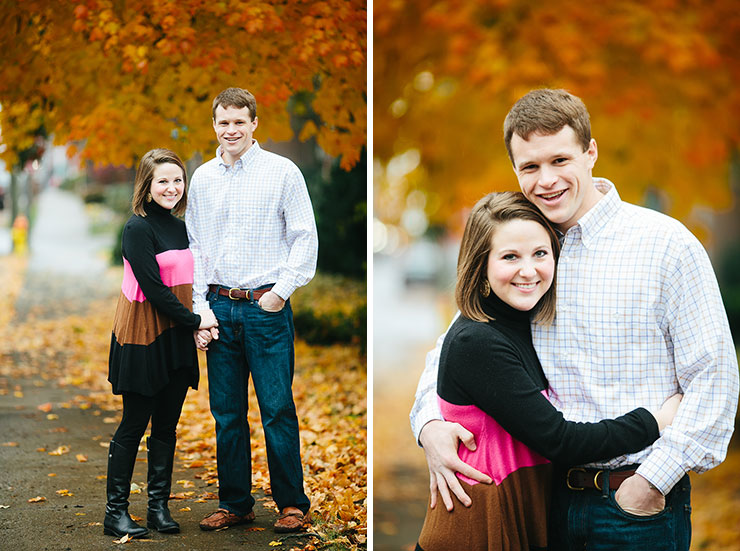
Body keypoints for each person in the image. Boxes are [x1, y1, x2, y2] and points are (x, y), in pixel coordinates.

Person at [410, 89, 739, 549]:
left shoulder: (665, 245)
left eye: (560, 160)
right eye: (530, 166)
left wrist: (648, 484)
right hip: (541, 504)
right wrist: (430, 427)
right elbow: (456, 348)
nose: (546, 180)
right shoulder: (526, 251)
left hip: (631, 508)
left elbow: (715, 377)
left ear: (590, 152)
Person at [415, 191, 681, 550]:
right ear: (481, 264)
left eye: (540, 253)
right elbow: (560, 439)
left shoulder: (528, 320)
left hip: (527, 512)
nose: (529, 271)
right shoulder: (476, 339)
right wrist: (656, 421)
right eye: (510, 257)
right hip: (479, 524)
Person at [186, 87, 318, 533]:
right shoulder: (201, 178)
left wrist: (281, 292)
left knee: (277, 407)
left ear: (254, 123)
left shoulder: (282, 172)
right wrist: (201, 309)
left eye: (239, 122)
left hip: (266, 307)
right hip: (220, 307)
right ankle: (235, 503)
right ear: (214, 126)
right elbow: (196, 249)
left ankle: (291, 503)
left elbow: (305, 237)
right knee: (226, 413)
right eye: (223, 122)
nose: (231, 130)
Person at [105, 148, 219, 539]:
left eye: (177, 180)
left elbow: (192, 283)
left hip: (174, 335)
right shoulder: (137, 229)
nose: (172, 188)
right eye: (163, 181)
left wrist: (195, 323)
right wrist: (195, 321)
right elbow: (153, 288)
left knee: (167, 426)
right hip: (142, 336)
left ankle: (158, 508)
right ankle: (115, 512)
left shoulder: (182, 227)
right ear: (147, 186)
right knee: (134, 424)